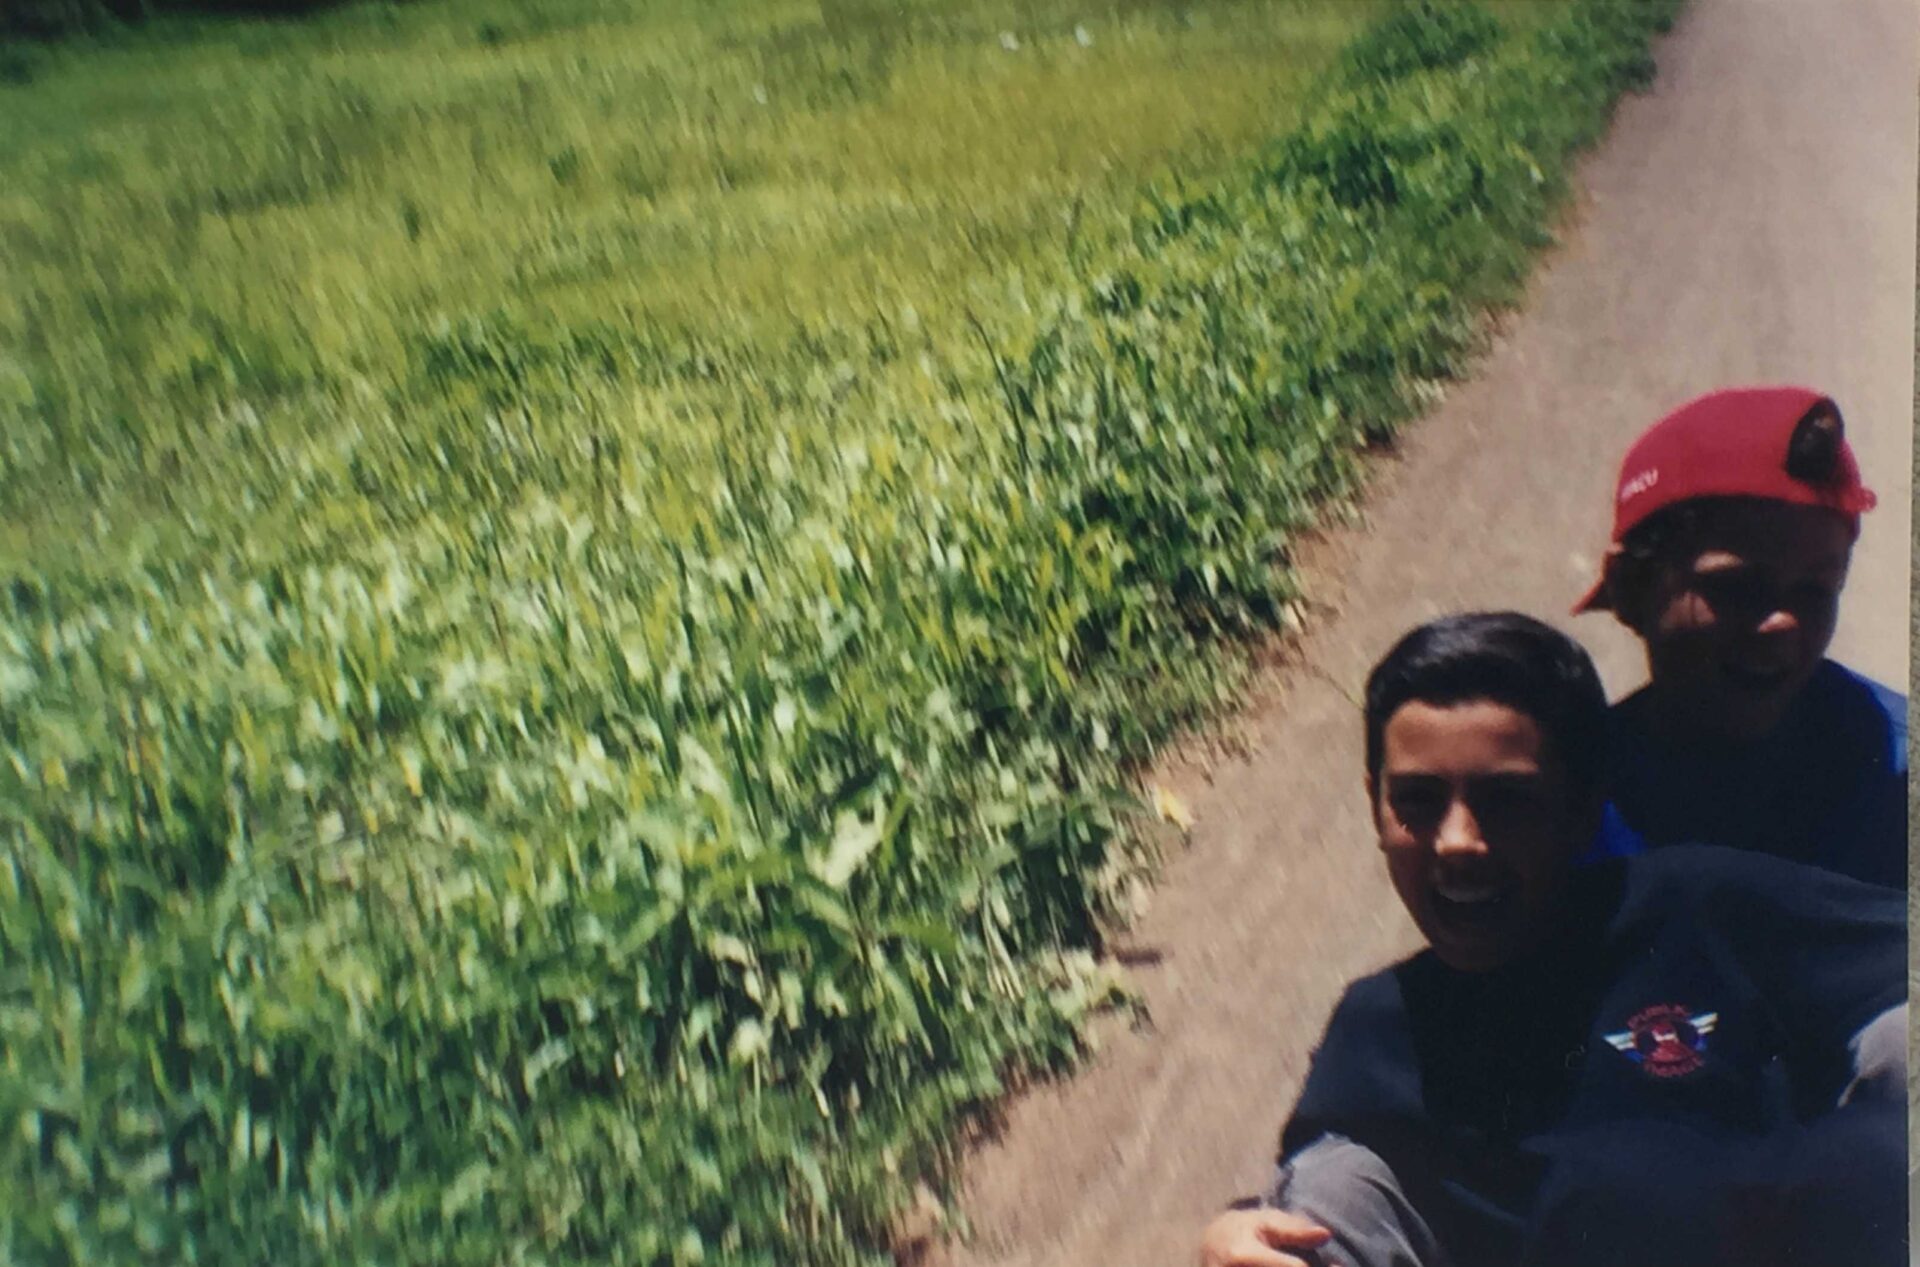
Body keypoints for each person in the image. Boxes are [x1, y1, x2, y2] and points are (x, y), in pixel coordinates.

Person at [1199, 613, 1905, 1267]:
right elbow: (1325, 1203)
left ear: (1582, 808)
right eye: (1416, 800)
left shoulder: (1698, 908)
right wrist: (1244, 1235)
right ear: (1375, 804)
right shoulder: (1383, 1028)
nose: (1458, 842)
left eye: (1507, 799)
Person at [1571, 385, 1905, 888]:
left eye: (1816, 590)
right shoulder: (1561, 801)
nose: (1784, 622)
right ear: (1631, 587)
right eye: (1737, 586)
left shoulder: (1895, 779)